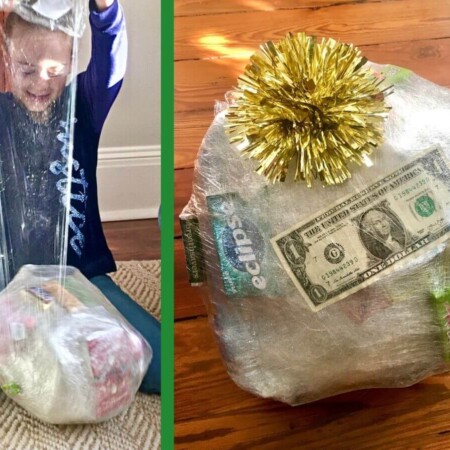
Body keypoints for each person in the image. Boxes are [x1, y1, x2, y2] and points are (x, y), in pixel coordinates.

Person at [0, 0, 160, 395]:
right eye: (26, 68)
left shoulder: (83, 106)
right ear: (6, 59)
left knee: (156, 363)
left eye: (55, 69)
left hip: (82, 277)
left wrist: (104, 9)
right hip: (7, 285)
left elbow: (111, 58)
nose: (40, 81)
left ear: (71, 63)